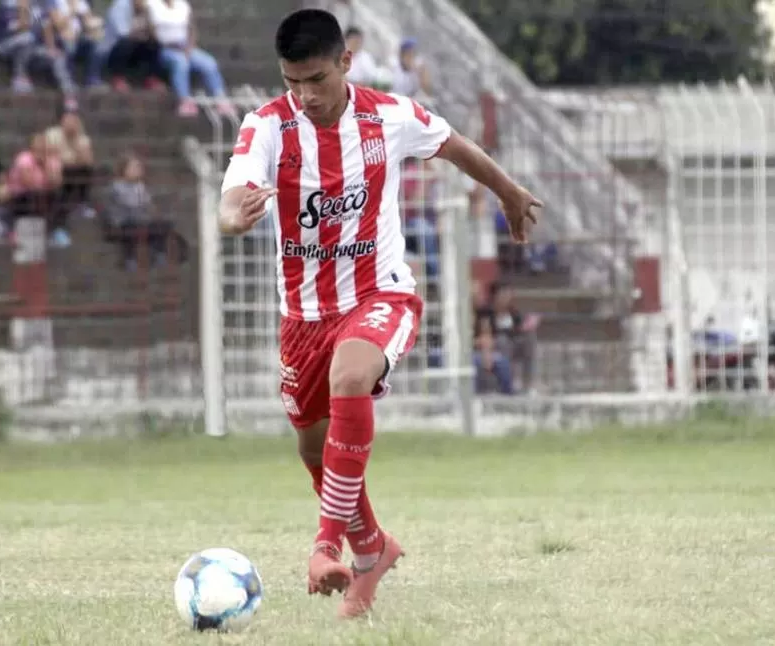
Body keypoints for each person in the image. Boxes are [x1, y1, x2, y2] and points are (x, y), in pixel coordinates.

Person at [217, 9, 542, 619]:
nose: (305, 95)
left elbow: (454, 146)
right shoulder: (267, 126)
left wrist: (508, 192)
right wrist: (234, 217)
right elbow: (231, 198)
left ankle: (324, 546)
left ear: (345, 62)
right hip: (303, 317)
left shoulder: (388, 116)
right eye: (292, 82)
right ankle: (372, 548)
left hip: (381, 294)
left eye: (315, 79)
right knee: (313, 450)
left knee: (350, 377)